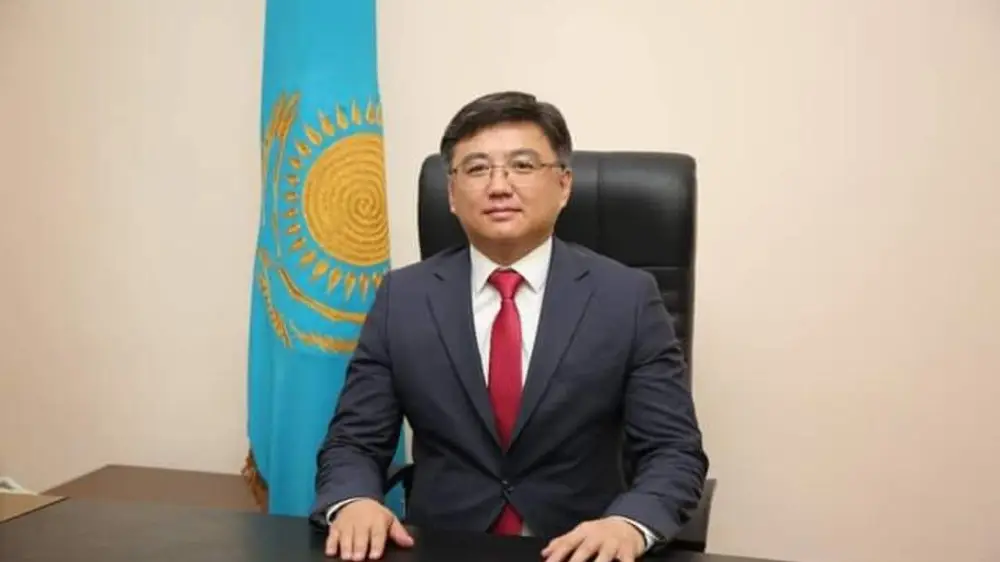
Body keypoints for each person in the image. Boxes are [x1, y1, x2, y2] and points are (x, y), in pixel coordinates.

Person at [311, 91, 709, 562]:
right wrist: (354, 501)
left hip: (580, 549)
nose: (499, 186)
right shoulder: (404, 297)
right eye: (477, 168)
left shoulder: (627, 298)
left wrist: (629, 524)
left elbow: (673, 451)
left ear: (563, 185)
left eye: (522, 165)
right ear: (452, 194)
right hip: (441, 546)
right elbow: (354, 441)